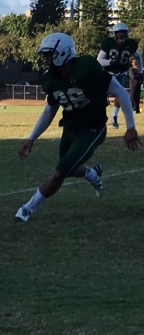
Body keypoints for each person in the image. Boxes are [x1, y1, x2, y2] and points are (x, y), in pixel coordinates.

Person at [15, 33, 140, 223]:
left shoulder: (87, 68)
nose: (47, 59)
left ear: (63, 53)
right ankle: (93, 175)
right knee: (70, 168)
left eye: (50, 54)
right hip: (70, 128)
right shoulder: (51, 78)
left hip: (92, 128)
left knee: (60, 172)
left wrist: (130, 127)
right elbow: (50, 110)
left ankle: (27, 209)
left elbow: (120, 93)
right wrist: (31, 138)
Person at [96, 22, 142, 129]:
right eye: (119, 33)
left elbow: (138, 57)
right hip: (108, 73)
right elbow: (99, 60)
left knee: (121, 94)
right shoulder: (108, 44)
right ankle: (101, 117)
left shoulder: (130, 44)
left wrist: (140, 72)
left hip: (122, 73)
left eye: (123, 32)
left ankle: (114, 116)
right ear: (115, 34)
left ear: (126, 34)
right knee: (101, 96)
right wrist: (110, 63)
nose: (121, 35)